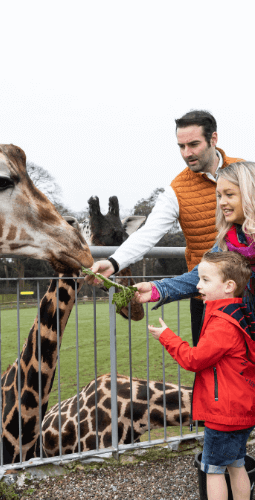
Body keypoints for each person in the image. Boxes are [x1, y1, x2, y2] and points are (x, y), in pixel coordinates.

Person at [89, 110, 243, 345]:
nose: (186, 153)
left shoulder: (245, 172)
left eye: (193, 144)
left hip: (246, 292)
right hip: (203, 293)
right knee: (207, 372)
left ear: (213, 139)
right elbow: (149, 232)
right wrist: (113, 262)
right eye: (181, 146)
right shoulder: (176, 190)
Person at [148, 251, 255, 500]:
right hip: (240, 407)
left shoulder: (222, 323)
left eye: (205, 280)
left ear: (229, 286)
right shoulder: (237, 313)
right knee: (236, 463)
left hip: (224, 413)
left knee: (213, 470)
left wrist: (166, 336)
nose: (198, 285)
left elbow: (193, 360)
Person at [135, 161, 255, 315]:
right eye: (219, 195)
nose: (222, 202)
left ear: (250, 194)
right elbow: (197, 277)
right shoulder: (228, 241)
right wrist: (156, 289)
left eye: (229, 194)